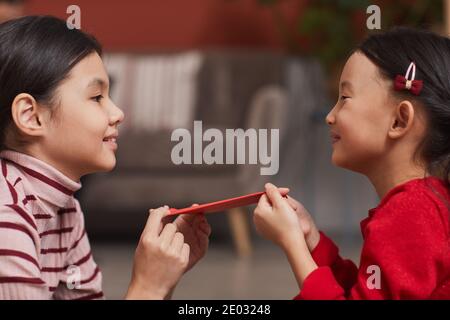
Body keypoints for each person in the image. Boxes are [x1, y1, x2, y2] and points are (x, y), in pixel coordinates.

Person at [0, 15, 211, 300]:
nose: (117, 113)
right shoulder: (6, 216)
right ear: (31, 116)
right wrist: (147, 286)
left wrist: (163, 280)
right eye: (96, 97)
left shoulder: (65, 211)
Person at [253, 27, 450, 299]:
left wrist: (292, 244)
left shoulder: (410, 215)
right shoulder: (423, 205)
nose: (330, 117)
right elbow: (365, 292)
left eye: (344, 99)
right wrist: (310, 240)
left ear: (399, 120)